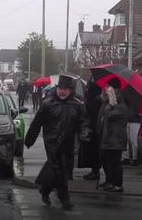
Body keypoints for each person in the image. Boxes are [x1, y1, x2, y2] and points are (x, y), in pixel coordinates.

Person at [25, 75, 90, 210]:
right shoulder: (48, 104)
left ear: (71, 90)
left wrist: (84, 133)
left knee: (64, 170)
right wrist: (30, 139)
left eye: (66, 89)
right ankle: (64, 198)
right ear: (57, 88)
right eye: (60, 88)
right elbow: (37, 123)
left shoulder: (77, 105)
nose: (62, 91)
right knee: (58, 169)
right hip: (52, 141)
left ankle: (45, 189)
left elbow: (83, 122)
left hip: (68, 142)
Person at [97, 78, 128, 192]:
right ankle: (109, 181)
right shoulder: (108, 101)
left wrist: (111, 104)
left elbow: (110, 115)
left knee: (115, 162)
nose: (105, 89)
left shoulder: (120, 103)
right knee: (105, 160)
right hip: (107, 137)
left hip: (116, 138)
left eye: (107, 87)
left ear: (115, 89)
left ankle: (118, 184)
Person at [79, 78, 102, 180]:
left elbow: (93, 114)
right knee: (92, 152)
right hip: (92, 128)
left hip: (93, 129)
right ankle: (94, 171)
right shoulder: (92, 98)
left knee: (94, 152)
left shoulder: (95, 99)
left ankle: (95, 171)